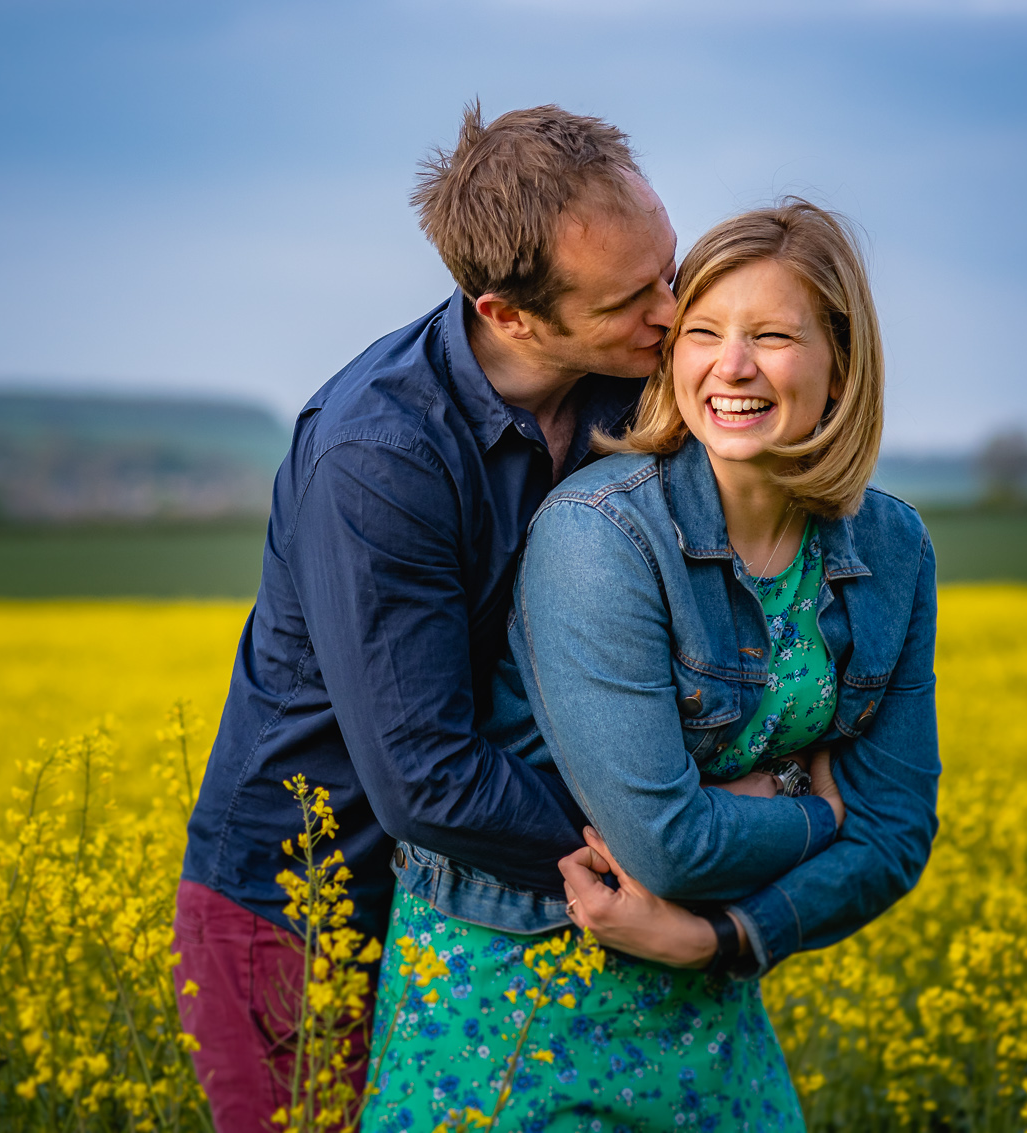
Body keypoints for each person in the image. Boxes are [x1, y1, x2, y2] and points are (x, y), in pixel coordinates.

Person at [363, 201, 941, 1132]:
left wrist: (717, 937)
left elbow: (903, 832)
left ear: (840, 364)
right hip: (513, 987)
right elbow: (663, 843)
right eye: (703, 331)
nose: (733, 365)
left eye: (774, 336)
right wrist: (821, 808)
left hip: (703, 989)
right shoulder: (603, 535)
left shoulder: (893, 547)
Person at [175, 103, 680, 1132]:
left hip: (478, 895)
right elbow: (425, 776)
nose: (674, 316)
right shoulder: (380, 453)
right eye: (634, 299)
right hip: (305, 906)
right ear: (507, 315)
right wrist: (662, 859)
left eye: (669, 271)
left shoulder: (627, 390)